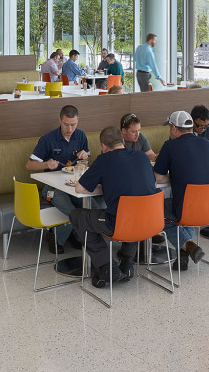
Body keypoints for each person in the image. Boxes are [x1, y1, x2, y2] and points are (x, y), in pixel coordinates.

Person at [70, 126, 157, 287]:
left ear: (103, 146)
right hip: (150, 221)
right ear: (123, 141)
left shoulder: (103, 160)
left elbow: (79, 189)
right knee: (133, 211)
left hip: (119, 224)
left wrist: (107, 187)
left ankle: (107, 267)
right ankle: (127, 264)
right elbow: (154, 184)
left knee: (77, 216)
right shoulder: (142, 156)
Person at [154, 110, 209, 270]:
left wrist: (175, 175)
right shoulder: (206, 144)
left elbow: (158, 178)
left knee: (155, 208)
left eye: (169, 127)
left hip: (188, 209)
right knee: (185, 202)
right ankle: (183, 254)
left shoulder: (170, 146)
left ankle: (187, 245)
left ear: (174, 128)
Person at [26, 105, 89, 252]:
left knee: (90, 206)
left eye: (73, 125)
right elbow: (29, 165)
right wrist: (46, 164)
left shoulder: (81, 136)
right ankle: (55, 237)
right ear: (60, 120)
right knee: (72, 211)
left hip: (73, 186)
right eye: (66, 124)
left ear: (78, 121)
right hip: (51, 189)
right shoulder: (48, 139)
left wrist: (85, 157)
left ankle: (73, 235)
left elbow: (85, 162)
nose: (69, 129)